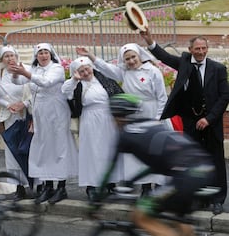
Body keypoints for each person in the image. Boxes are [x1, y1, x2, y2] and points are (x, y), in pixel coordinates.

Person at [101, 93, 214, 236]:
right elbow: (157, 164)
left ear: (117, 117)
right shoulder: (154, 124)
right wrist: (131, 181)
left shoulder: (124, 135)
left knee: (140, 215)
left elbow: (109, 171)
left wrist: (95, 202)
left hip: (185, 176)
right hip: (205, 167)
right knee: (178, 213)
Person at [140, 28, 229, 215]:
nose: (201, 52)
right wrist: (150, 41)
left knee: (216, 162)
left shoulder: (218, 69)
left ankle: (218, 199)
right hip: (191, 122)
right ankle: (199, 198)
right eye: (197, 48)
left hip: (211, 123)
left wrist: (209, 119)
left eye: (204, 48)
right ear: (190, 49)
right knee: (194, 163)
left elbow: (224, 97)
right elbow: (164, 57)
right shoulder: (185, 63)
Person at [76, 44, 168, 196]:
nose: (131, 61)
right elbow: (105, 68)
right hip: (134, 115)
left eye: (133, 57)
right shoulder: (123, 73)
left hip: (152, 112)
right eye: (127, 59)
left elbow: (162, 97)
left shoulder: (153, 71)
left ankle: (157, 185)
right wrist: (90, 55)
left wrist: (158, 118)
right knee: (138, 153)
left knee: (154, 151)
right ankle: (145, 188)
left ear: (140, 56)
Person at [9, 43, 78, 204]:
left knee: (58, 148)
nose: (43, 55)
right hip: (40, 115)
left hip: (56, 114)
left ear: (51, 54)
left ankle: (61, 187)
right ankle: (48, 186)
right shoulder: (35, 69)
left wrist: (25, 72)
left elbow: (46, 82)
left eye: (46, 52)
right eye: (40, 53)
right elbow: (18, 81)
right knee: (44, 149)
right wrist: (14, 72)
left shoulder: (57, 68)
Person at [62, 56, 121, 202]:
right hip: (90, 120)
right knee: (92, 152)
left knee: (109, 151)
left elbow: (118, 94)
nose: (85, 72)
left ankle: (110, 183)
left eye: (87, 68)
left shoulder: (104, 79)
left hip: (108, 118)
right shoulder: (76, 85)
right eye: (81, 71)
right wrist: (75, 79)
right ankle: (92, 187)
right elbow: (65, 91)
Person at [0, 45, 33, 200]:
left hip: (25, 115)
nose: (10, 59)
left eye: (12, 55)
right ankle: (19, 187)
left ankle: (35, 185)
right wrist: (8, 105)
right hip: (9, 116)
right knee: (12, 154)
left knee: (28, 150)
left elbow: (34, 92)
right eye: (6, 56)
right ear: (2, 60)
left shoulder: (26, 70)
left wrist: (23, 104)